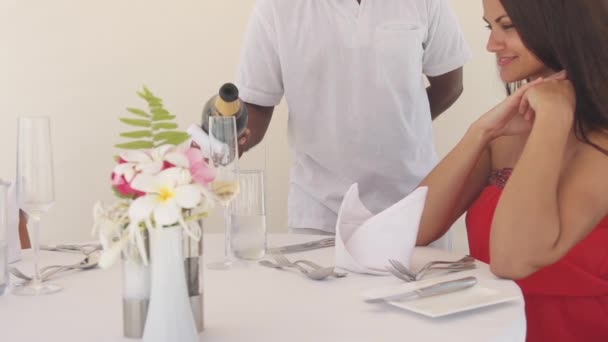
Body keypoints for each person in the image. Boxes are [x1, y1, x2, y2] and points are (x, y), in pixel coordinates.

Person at [416, 0, 608, 340]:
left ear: (562, 26)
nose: (491, 45)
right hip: (494, 329)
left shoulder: (600, 144)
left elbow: (511, 260)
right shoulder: (509, 131)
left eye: (508, 26)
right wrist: (480, 132)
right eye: (491, 28)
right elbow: (412, 230)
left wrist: (553, 118)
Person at [236, 0, 471, 243]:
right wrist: (230, 138)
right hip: (322, 217)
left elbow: (450, 86)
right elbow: (256, 104)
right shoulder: (275, 8)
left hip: (417, 208)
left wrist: (399, 125)